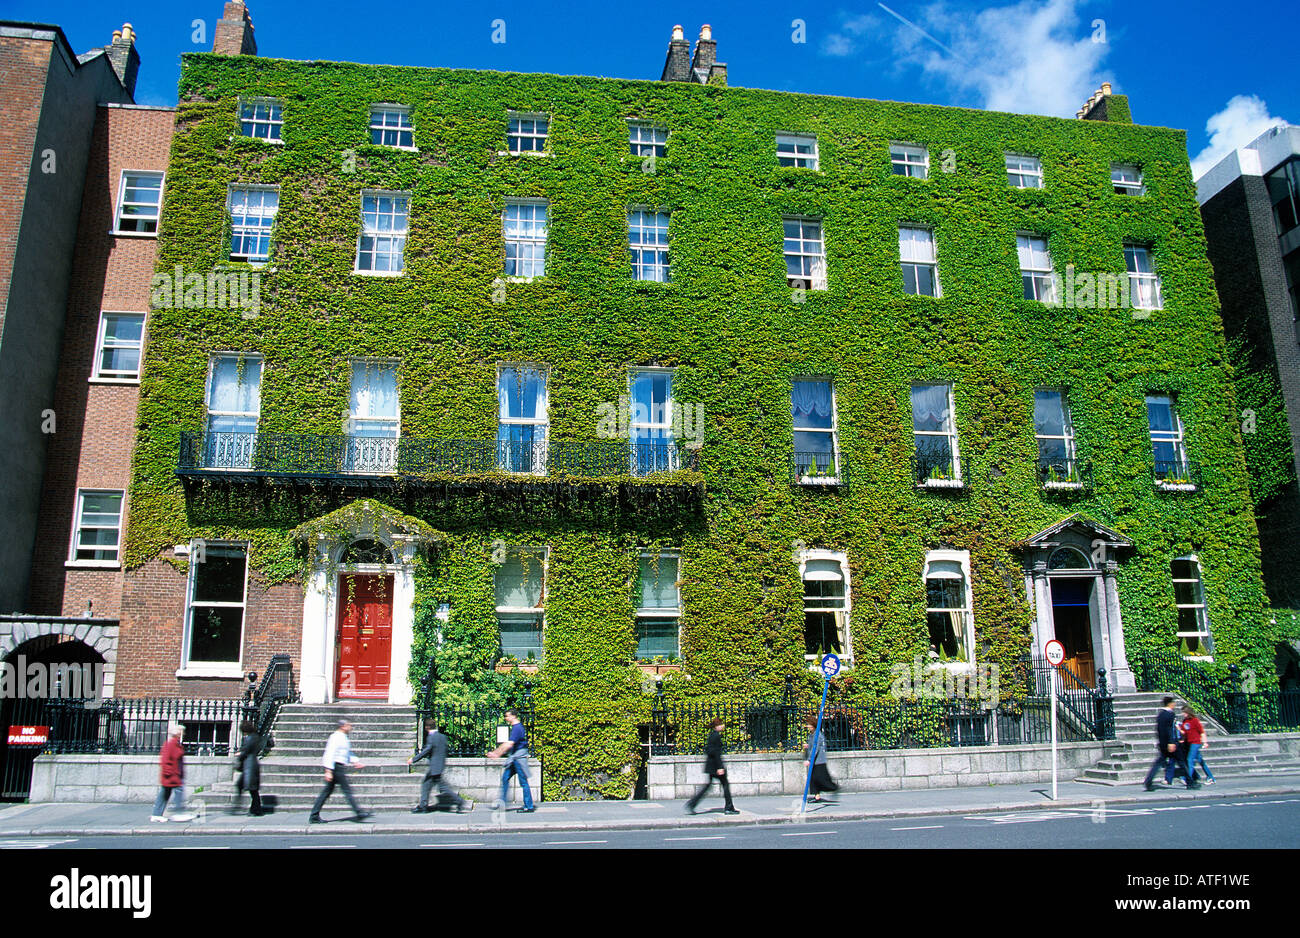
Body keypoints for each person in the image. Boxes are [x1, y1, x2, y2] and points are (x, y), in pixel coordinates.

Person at [309, 718, 372, 823]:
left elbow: (347, 752)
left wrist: (355, 761)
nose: (350, 727)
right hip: (335, 767)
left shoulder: (343, 737)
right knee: (346, 791)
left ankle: (314, 815)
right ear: (343, 726)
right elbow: (329, 753)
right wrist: (328, 770)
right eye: (349, 725)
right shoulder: (335, 737)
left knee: (327, 792)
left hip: (338, 766)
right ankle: (359, 812)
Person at [408, 718, 470, 813]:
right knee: (426, 785)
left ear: (427, 727)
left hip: (434, 767)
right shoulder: (443, 737)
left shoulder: (431, 737)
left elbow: (427, 750)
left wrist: (414, 759)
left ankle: (460, 801)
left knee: (443, 788)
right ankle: (423, 806)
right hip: (439, 766)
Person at [685, 716, 740, 815]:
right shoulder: (716, 736)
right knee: (725, 785)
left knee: (708, 786)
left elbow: (710, 751)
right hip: (716, 766)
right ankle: (729, 807)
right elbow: (715, 753)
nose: (723, 726)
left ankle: (692, 804)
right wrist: (720, 767)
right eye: (721, 724)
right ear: (717, 726)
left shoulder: (712, 735)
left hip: (711, 765)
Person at [1143, 696, 1199, 791]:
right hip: (1171, 744)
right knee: (1181, 762)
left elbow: (1160, 730)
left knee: (1158, 763)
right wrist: (1171, 742)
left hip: (1163, 743)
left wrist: (1162, 742)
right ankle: (1190, 782)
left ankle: (1148, 781)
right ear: (1170, 703)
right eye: (1173, 703)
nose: (1174, 705)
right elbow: (1170, 729)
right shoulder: (1170, 714)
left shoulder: (1160, 715)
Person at [486, 709, 534, 813]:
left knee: (523, 783)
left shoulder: (517, 728)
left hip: (519, 759)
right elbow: (508, 743)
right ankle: (502, 803)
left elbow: (509, 744)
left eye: (507, 716)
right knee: (505, 778)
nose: (506, 718)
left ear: (513, 716)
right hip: (514, 759)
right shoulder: (516, 727)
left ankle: (529, 806)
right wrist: (496, 753)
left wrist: (496, 754)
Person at [150, 723, 195, 822]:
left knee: (164, 794)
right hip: (171, 776)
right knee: (177, 792)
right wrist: (170, 774)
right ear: (178, 733)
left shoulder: (176, 744)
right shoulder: (171, 744)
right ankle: (178, 813)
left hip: (173, 775)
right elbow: (165, 760)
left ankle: (156, 814)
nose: (183, 734)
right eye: (181, 732)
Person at [804, 715, 839, 803]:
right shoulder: (812, 735)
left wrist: (809, 759)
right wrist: (807, 747)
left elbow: (815, 749)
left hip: (819, 761)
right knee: (813, 779)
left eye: (809, 724)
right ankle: (817, 796)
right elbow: (812, 747)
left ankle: (834, 787)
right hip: (815, 761)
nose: (807, 726)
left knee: (821, 779)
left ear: (813, 725)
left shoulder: (818, 735)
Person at [234, 719, 264, 816]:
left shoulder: (250, 738)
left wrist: (239, 754)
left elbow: (246, 751)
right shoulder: (255, 737)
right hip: (251, 764)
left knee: (252, 789)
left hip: (249, 765)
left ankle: (255, 809)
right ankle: (254, 808)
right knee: (249, 788)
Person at [1180, 705, 1215, 785]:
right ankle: (1210, 777)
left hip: (1195, 742)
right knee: (1200, 761)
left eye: (1184, 712)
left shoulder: (1195, 721)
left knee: (1190, 760)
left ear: (1188, 713)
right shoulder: (1185, 721)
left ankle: (1188, 778)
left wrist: (1205, 742)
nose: (1183, 714)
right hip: (1189, 742)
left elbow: (1202, 732)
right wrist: (1179, 730)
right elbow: (1184, 732)